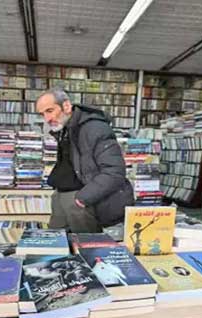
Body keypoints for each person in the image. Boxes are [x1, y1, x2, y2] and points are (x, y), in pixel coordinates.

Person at [36, 88, 134, 233]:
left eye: (50, 111)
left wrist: (82, 198)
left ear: (67, 106)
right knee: (54, 247)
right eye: (42, 114)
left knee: (87, 248)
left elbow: (114, 172)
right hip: (62, 197)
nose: (47, 118)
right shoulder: (65, 127)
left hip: (81, 200)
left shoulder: (94, 128)